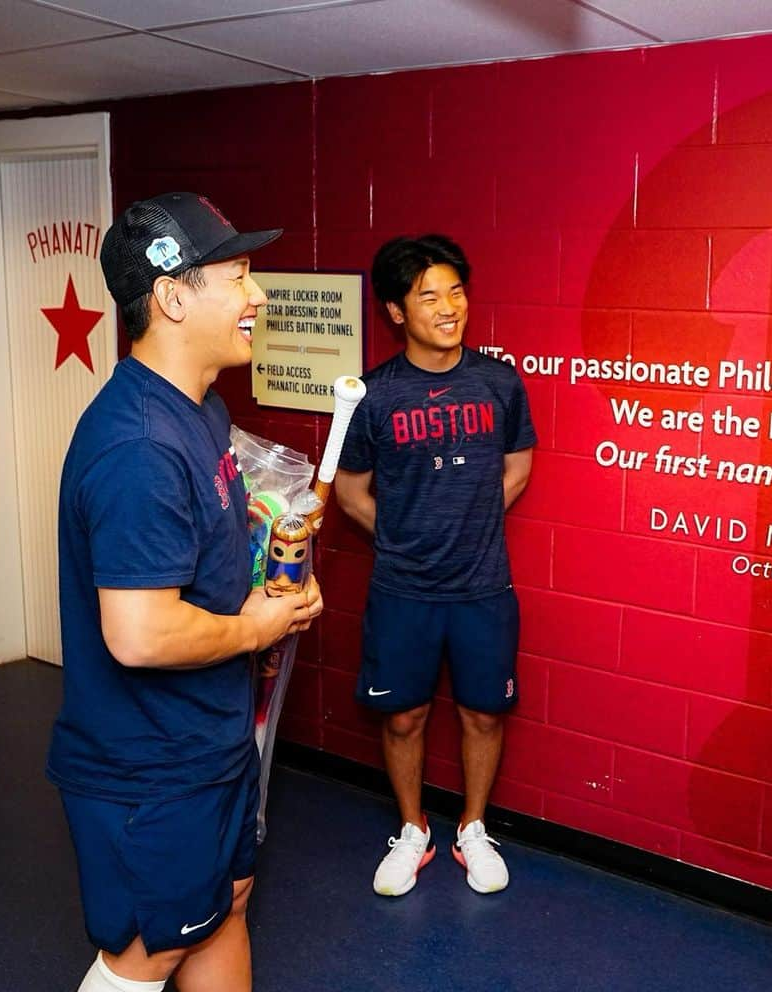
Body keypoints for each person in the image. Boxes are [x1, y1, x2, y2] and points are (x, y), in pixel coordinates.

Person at [47, 192, 323, 992]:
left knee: (228, 903)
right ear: (171, 296)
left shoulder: (199, 411)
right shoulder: (138, 444)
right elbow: (140, 633)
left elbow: (200, 554)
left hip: (211, 744)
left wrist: (272, 556)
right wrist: (258, 627)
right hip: (149, 768)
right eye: (238, 275)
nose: (258, 295)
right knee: (149, 952)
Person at [335, 234, 535, 896]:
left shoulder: (500, 382)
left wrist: (467, 518)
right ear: (396, 310)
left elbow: (518, 466)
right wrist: (406, 534)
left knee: (483, 714)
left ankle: (472, 828)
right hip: (403, 589)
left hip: (483, 587)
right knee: (403, 717)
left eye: (456, 291)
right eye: (429, 295)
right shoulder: (374, 395)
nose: (449, 307)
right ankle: (414, 829)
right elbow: (348, 490)